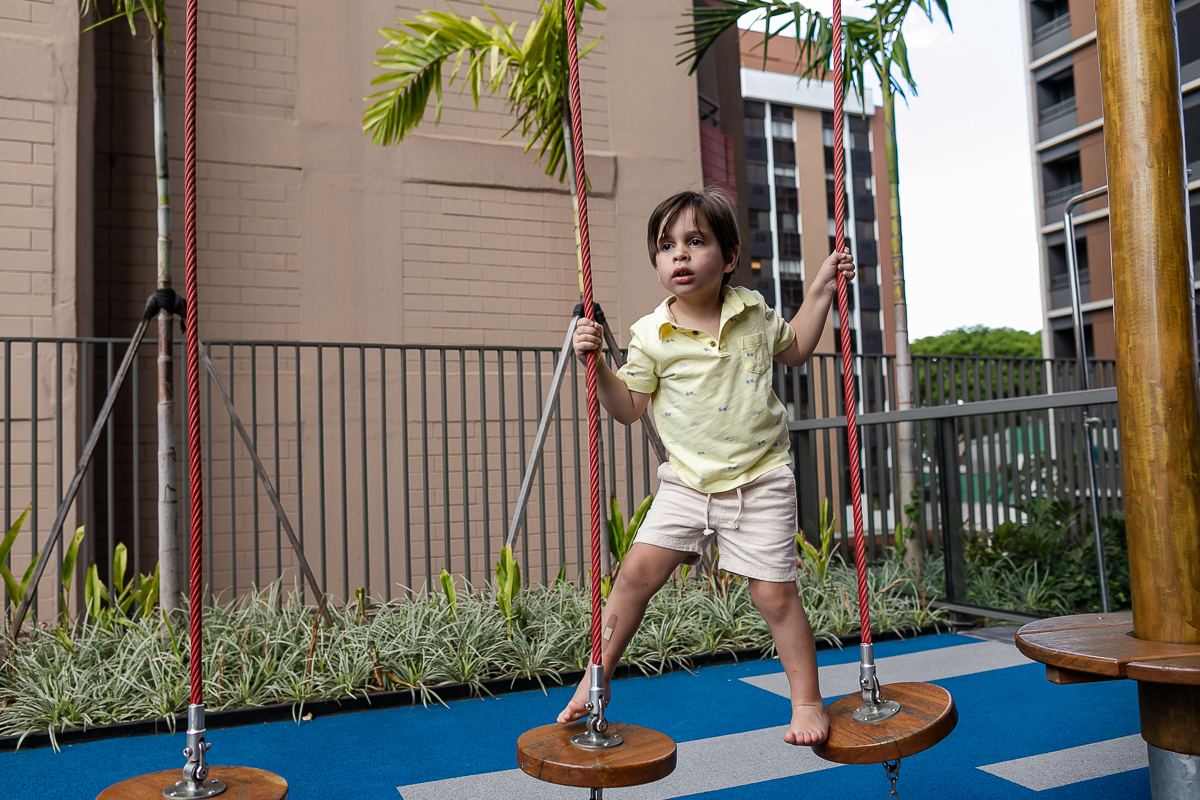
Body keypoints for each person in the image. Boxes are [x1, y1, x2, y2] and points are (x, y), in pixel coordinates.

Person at [558, 187, 854, 746]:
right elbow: (625, 410)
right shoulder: (651, 334)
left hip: (761, 479)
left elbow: (795, 350)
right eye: (667, 246)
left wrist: (819, 290)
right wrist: (595, 365)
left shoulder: (753, 312)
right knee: (633, 577)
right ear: (657, 263)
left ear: (731, 255)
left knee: (774, 596)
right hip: (687, 485)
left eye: (696, 242)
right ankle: (594, 682)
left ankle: (808, 700)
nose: (681, 256)